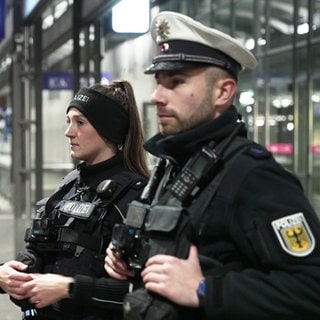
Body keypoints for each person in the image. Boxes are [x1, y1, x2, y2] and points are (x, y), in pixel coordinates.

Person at [105, 11, 320, 319]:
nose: (156, 96)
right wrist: (131, 258)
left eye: (176, 82)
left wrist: (204, 289)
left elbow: (311, 288)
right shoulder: (173, 166)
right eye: (159, 82)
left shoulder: (253, 175)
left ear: (223, 92)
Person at [0, 80, 150, 320]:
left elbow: (144, 294)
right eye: (68, 122)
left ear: (108, 129)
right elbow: (37, 250)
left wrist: (67, 289)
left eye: (80, 122)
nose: (68, 132)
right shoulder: (69, 185)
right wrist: (7, 275)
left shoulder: (136, 197)